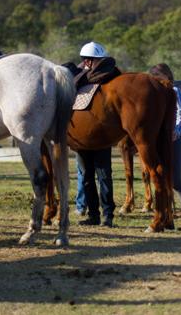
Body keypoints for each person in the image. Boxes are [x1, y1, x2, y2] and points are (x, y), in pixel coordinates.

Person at [74, 42, 119, 227]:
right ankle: (95, 215)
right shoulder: (79, 78)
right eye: (85, 60)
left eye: (89, 60)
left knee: (102, 177)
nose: (86, 63)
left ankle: (107, 216)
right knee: (87, 178)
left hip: (100, 136)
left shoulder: (111, 80)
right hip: (83, 138)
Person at [148, 63, 181, 231]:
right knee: (161, 180)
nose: (157, 82)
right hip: (159, 141)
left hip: (175, 141)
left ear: (166, 77)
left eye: (159, 79)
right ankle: (168, 219)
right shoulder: (155, 94)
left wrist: (175, 133)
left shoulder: (176, 92)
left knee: (176, 182)